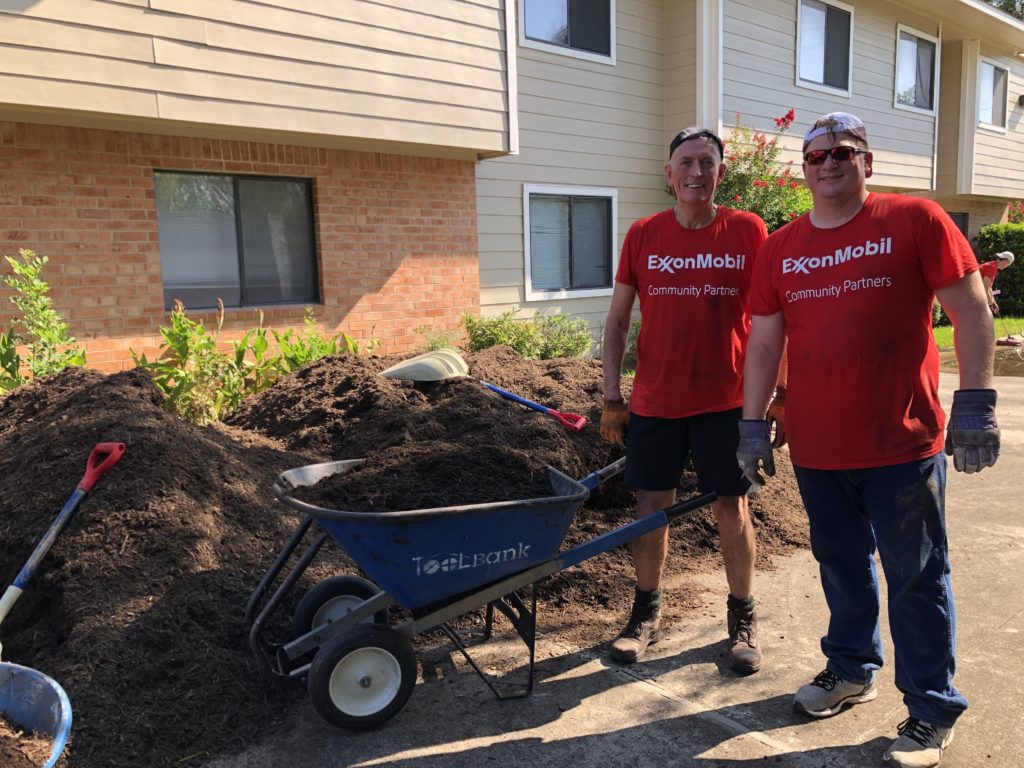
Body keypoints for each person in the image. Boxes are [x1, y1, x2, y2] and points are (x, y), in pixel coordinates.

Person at [737, 112, 998, 768]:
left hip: (902, 445)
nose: (829, 163)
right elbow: (766, 340)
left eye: (843, 152)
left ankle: (933, 709)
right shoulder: (780, 247)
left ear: (867, 162)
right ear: (804, 168)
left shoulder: (915, 221)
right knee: (841, 565)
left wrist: (975, 401)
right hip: (819, 448)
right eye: (817, 154)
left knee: (915, 577)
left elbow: (970, 309)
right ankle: (851, 668)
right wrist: (751, 421)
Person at [600, 126, 773, 673]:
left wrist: (775, 398)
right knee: (651, 507)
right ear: (668, 175)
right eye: (686, 163)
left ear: (721, 173)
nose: (696, 173)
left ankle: (742, 617)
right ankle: (645, 615)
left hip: (728, 401)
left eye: (707, 163)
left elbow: (775, 319)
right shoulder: (644, 234)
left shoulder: (748, 230)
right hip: (656, 400)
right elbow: (619, 319)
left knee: (732, 506)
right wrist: (611, 396)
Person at [978, 250, 1014, 315]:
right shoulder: (991, 267)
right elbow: (985, 288)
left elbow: (989, 287)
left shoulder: (993, 266)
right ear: (1005, 261)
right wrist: (990, 304)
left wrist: (993, 302)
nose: (1007, 266)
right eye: (1008, 264)